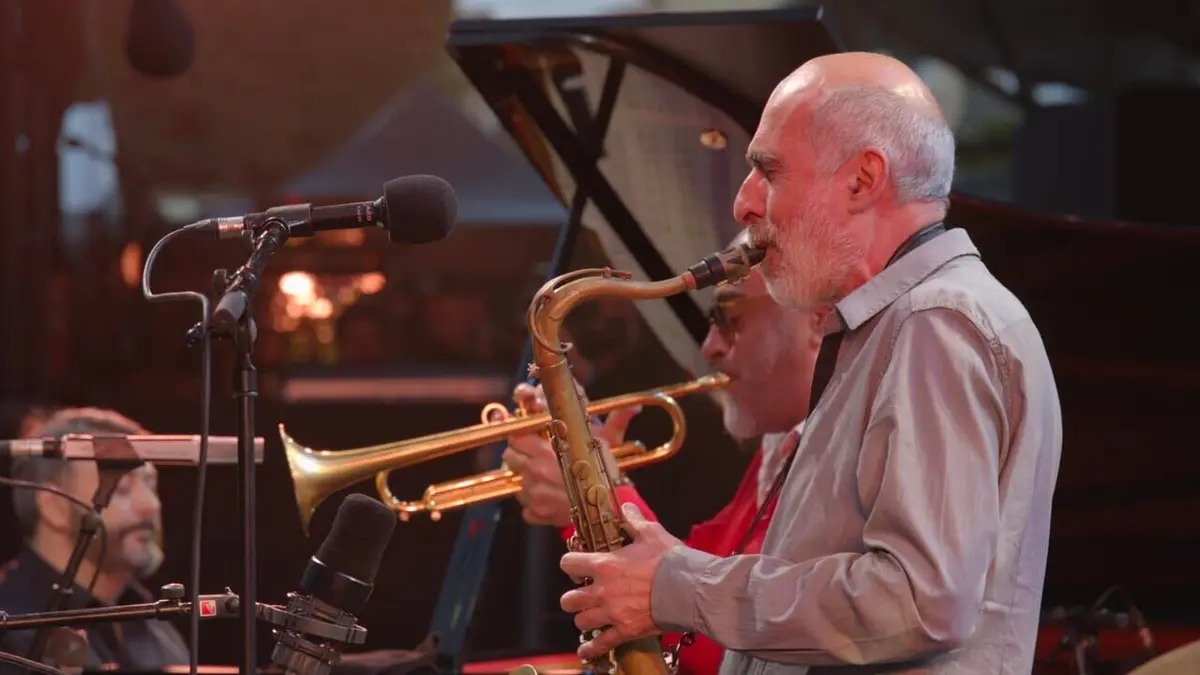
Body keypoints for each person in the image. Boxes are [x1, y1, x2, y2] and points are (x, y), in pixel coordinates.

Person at [553, 51, 1064, 675]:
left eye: (767, 171)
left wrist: (682, 586)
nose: (744, 204)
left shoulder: (936, 322)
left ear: (862, 178)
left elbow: (919, 602)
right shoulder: (897, 325)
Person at [502, 228, 823, 675]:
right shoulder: (779, 444)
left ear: (818, 319)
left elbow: (728, 642)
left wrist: (603, 496)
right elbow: (707, 575)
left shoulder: (832, 455)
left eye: (731, 318)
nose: (709, 347)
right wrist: (589, 484)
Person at [0, 407, 190, 671]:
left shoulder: (155, 624)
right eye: (121, 488)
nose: (151, 505)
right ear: (54, 507)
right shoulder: (10, 627)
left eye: (151, 485)